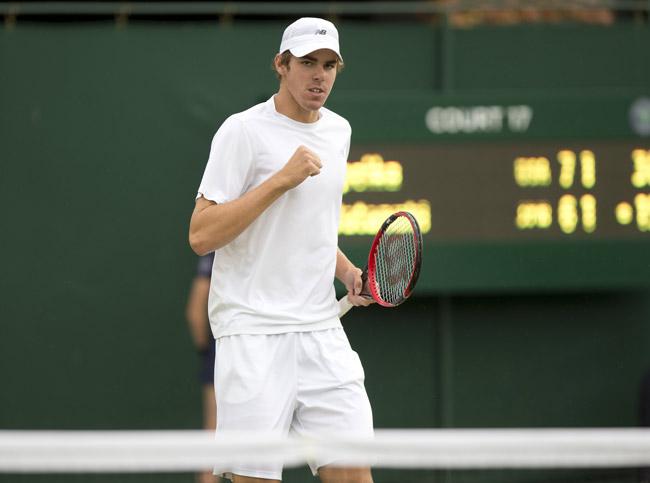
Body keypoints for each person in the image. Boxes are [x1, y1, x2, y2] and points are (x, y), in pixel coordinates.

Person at [189, 16, 374, 483]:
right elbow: (201, 234)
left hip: (321, 332)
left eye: (329, 64)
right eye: (308, 63)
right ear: (281, 65)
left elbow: (310, 230)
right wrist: (280, 180)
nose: (320, 75)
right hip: (252, 335)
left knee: (354, 475)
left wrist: (348, 271)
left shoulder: (339, 132)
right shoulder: (242, 132)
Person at [185, 252, 218, 483]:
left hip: (222, 356)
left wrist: (207, 354)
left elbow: (195, 313)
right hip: (228, 353)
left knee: (213, 440)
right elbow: (195, 311)